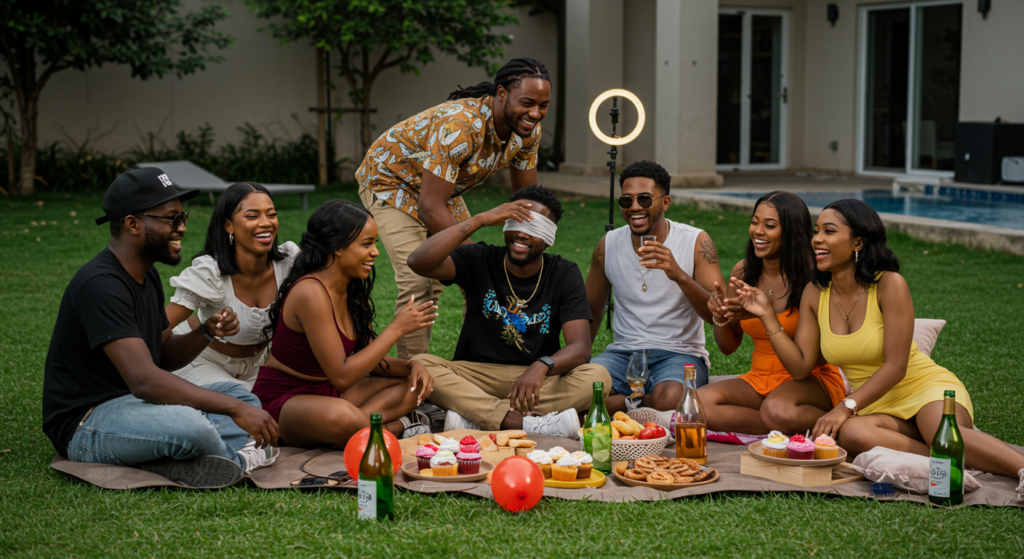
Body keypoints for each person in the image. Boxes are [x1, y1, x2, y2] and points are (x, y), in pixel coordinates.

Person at [733, 199, 1024, 490]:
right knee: (852, 436)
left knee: (940, 430)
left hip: (921, 388)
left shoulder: (889, 284)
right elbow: (799, 368)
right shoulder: (815, 292)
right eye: (816, 230)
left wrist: (844, 407)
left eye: (829, 231)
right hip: (874, 404)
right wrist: (768, 316)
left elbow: (896, 367)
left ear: (858, 242)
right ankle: (953, 461)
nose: (817, 239)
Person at [42, 168, 279, 488]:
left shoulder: (146, 276)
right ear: (132, 224)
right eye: (170, 218)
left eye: (182, 216)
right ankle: (237, 461)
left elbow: (161, 357)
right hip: (86, 422)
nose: (181, 227)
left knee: (237, 394)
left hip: (139, 407)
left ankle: (186, 458)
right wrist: (234, 410)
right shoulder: (101, 286)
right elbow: (145, 380)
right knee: (194, 426)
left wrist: (206, 332)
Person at [356, 57, 551, 360]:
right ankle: (412, 387)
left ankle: (483, 367)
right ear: (501, 94)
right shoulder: (460, 126)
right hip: (390, 182)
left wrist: (526, 255)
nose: (536, 114)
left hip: (440, 189)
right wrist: (481, 264)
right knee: (419, 282)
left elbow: (526, 199)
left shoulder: (527, 131)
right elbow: (430, 208)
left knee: (484, 280)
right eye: (528, 103)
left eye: (543, 105)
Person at [407, 185, 610, 436]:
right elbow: (418, 261)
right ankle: (522, 422)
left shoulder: (563, 272)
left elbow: (580, 348)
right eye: (515, 223)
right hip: (476, 375)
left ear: (549, 237)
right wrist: (479, 220)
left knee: (599, 377)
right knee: (419, 364)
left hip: (536, 380)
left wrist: (542, 366)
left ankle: (474, 417)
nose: (521, 234)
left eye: (533, 228)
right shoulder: (480, 257)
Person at [252, 200, 438, 447]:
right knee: (342, 417)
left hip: (333, 392)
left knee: (416, 387)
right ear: (337, 247)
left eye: (375, 243)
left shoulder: (350, 288)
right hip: (286, 399)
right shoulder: (311, 292)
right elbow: (342, 376)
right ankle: (396, 427)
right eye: (367, 244)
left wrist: (411, 366)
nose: (375, 252)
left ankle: (368, 430)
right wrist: (397, 328)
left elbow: (371, 360)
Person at [698, 191, 847, 435]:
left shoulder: (815, 278)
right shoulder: (744, 273)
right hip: (760, 378)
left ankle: (834, 426)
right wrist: (721, 317)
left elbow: (810, 365)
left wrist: (766, 315)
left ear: (791, 231)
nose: (758, 231)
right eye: (754, 222)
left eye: (770, 225)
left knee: (778, 409)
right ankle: (785, 428)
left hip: (810, 380)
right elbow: (728, 347)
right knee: (698, 404)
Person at [585, 160, 722, 417]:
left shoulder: (695, 241)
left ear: (665, 202)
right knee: (584, 390)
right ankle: (645, 405)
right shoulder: (608, 245)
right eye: (626, 201)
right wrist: (581, 362)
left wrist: (678, 274)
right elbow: (590, 309)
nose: (635, 208)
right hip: (623, 353)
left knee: (670, 398)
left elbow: (718, 314)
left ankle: (626, 404)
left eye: (645, 199)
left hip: (678, 352)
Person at [165, 183, 300, 390]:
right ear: (229, 226)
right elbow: (161, 327)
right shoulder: (210, 272)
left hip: (259, 365)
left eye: (271, 214)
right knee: (250, 407)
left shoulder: (289, 263)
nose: (266, 223)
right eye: (252, 216)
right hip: (200, 361)